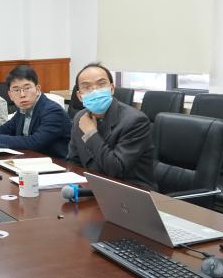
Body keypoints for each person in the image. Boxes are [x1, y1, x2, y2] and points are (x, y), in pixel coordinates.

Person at [66, 62, 157, 190]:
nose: (95, 91)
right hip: (92, 187)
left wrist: (91, 133)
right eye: (86, 87)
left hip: (130, 191)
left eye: (101, 84)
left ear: (112, 88)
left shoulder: (135, 121)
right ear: (79, 96)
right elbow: (73, 161)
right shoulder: (80, 118)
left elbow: (116, 169)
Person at [0, 65, 71, 159]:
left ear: (37, 89)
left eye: (27, 88)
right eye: (16, 90)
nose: (22, 95)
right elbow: (7, 128)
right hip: (30, 159)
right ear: (10, 95)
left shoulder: (53, 111)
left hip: (57, 164)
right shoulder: (23, 109)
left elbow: (35, 142)